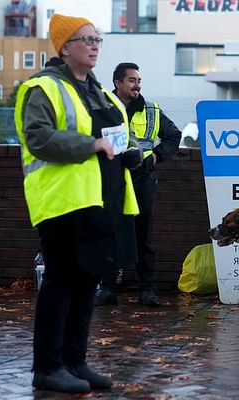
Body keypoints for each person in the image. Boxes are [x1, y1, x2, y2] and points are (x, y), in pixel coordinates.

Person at [15, 13, 143, 393]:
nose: (94, 45)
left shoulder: (100, 93)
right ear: (64, 46)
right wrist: (91, 146)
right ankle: (48, 367)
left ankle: (75, 362)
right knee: (61, 282)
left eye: (97, 39)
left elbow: (115, 138)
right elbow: (38, 138)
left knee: (87, 283)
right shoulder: (43, 88)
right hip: (62, 201)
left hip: (100, 201)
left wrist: (131, 152)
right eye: (85, 39)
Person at [94, 63, 182, 307]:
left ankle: (147, 289)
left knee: (144, 236)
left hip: (141, 179)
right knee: (111, 233)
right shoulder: (103, 109)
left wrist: (155, 156)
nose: (137, 85)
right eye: (131, 80)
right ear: (117, 83)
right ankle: (108, 288)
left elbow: (174, 135)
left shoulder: (151, 110)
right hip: (112, 180)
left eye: (139, 80)